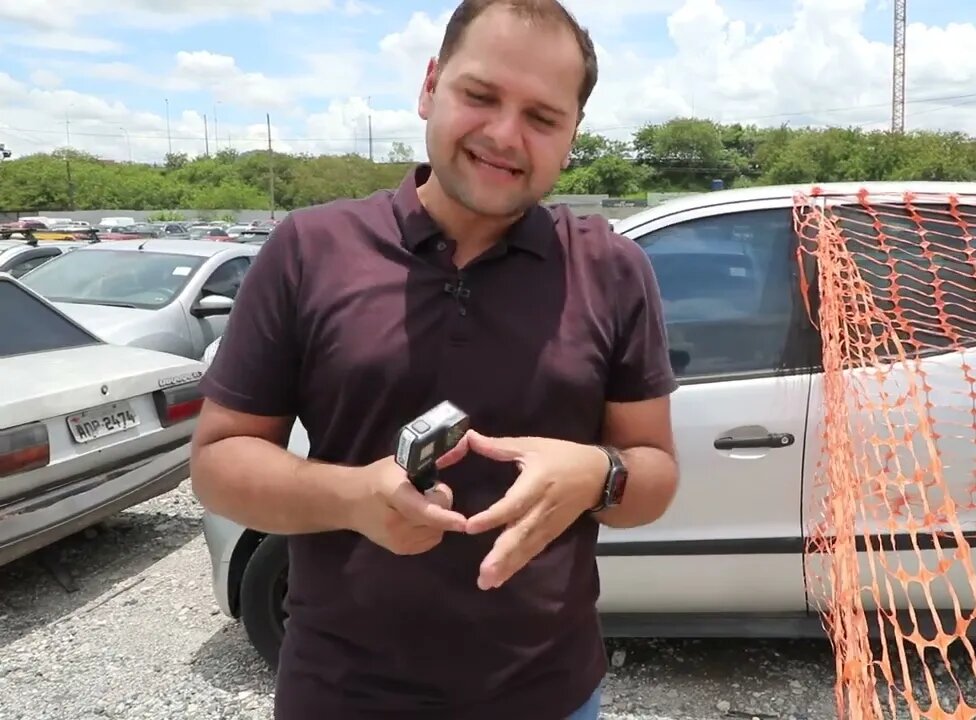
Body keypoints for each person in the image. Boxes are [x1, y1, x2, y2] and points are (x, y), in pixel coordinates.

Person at [188, 1, 679, 718]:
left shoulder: (612, 269)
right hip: (342, 693)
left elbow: (655, 475)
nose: (505, 136)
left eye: (543, 117)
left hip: (548, 694)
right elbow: (219, 463)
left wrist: (596, 473)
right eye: (480, 96)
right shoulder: (309, 249)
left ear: (572, 135)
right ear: (430, 86)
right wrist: (354, 498)